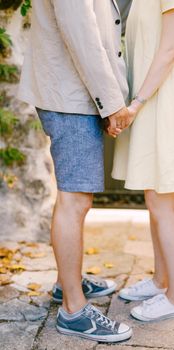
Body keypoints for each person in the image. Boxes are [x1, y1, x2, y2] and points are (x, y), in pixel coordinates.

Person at [17, 0, 132, 343]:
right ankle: (73, 310)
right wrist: (111, 102)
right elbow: (80, 32)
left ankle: (65, 282)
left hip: (69, 90)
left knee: (73, 196)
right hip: (70, 94)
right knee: (75, 200)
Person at [111, 0, 174, 322]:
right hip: (151, 102)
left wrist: (136, 104)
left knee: (163, 204)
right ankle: (160, 281)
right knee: (155, 199)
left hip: (162, 105)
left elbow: (169, 51)